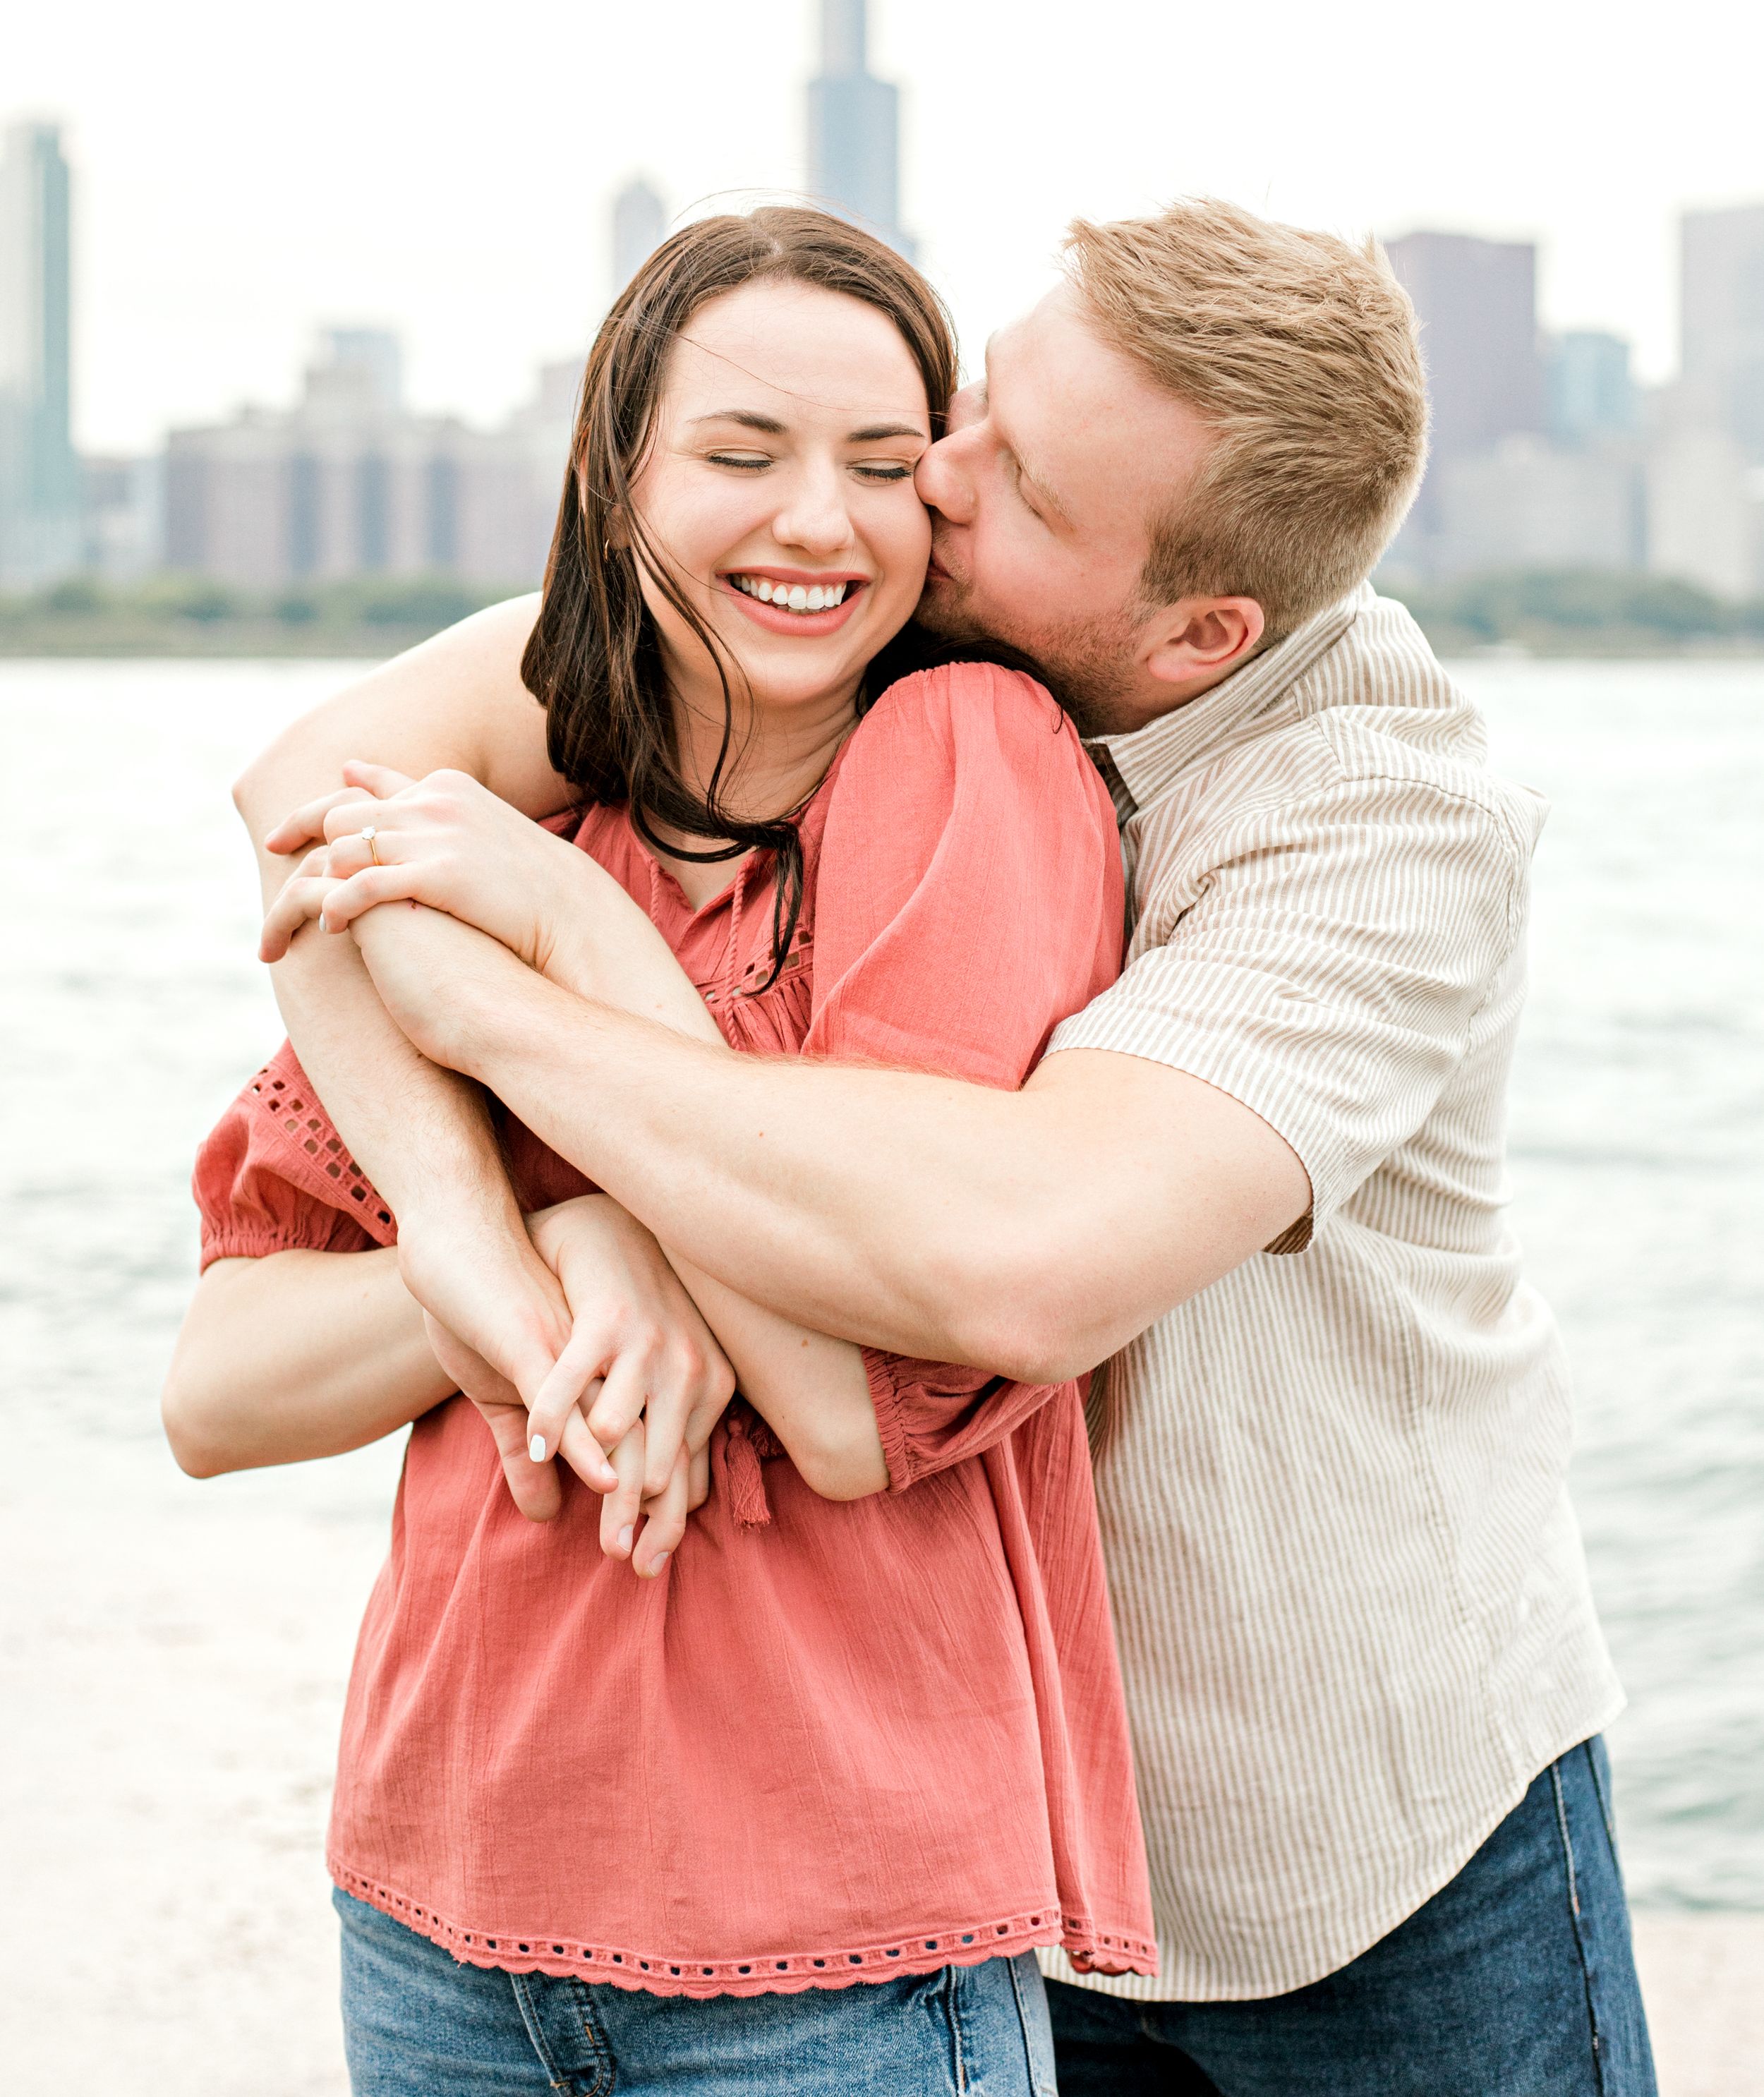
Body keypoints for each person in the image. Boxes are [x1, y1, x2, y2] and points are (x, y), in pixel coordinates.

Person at [219, 198, 1657, 2096]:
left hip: (1346, 1829)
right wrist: (499, 1243)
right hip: (950, 1809)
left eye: (1018, 489)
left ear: (1197, 628)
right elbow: (313, 793)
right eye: (968, 412)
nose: (927, 490)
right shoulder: (846, 644)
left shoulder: (1373, 825)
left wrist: (531, 1003)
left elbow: (1017, 1260)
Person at [164, 209, 1160, 2096]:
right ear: (617, 480)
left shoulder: (964, 769)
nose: (816, 522)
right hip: (440, 1914)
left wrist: (589, 1024)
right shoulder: (501, 846)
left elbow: (858, 1397)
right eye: (737, 453)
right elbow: (219, 1386)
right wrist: (534, 1254)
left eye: (883, 467)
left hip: (834, 1952)